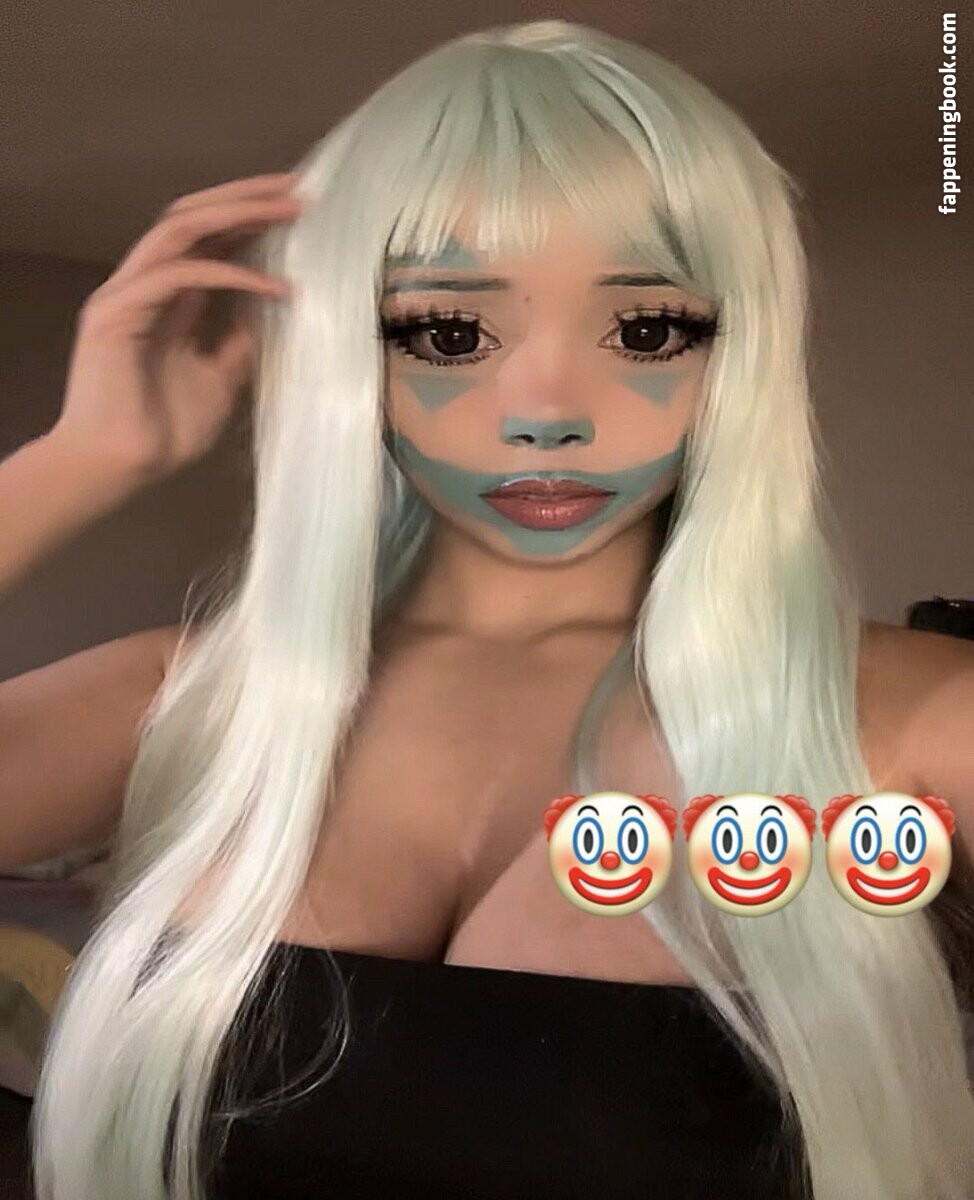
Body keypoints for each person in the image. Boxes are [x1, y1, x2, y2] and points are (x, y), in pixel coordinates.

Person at [2, 17, 972, 1200]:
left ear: (737, 350)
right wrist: (76, 461)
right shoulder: (194, 696)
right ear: (350, 353)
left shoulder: (901, 717)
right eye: (449, 332)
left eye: (646, 328)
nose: (545, 413)